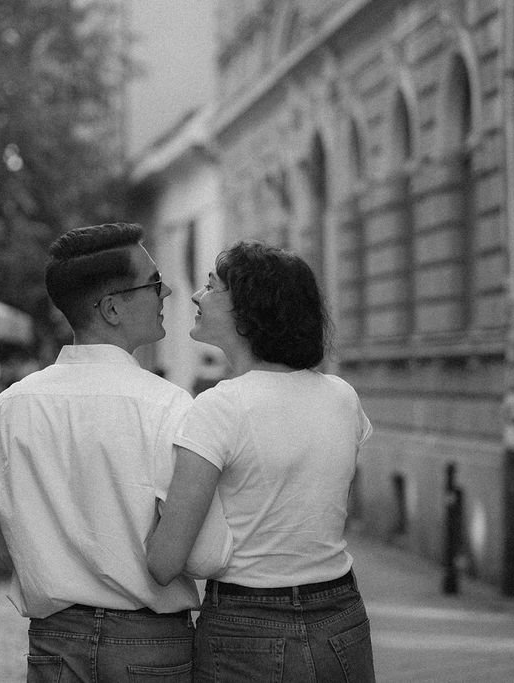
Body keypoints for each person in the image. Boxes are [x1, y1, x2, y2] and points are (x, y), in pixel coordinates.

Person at [0, 222, 232, 681]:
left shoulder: (10, 408)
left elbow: (2, 533)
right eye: (154, 284)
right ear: (113, 308)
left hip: (55, 639)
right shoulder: (167, 406)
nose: (169, 292)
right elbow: (204, 554)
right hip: (150, 642)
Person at [146, 240, 376, 682]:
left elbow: (164, 562)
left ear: (249, 311)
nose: (196, 296)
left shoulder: (220, 407)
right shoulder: (343, 397)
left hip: (246, 624)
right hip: (340, 614)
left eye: (212, 287)